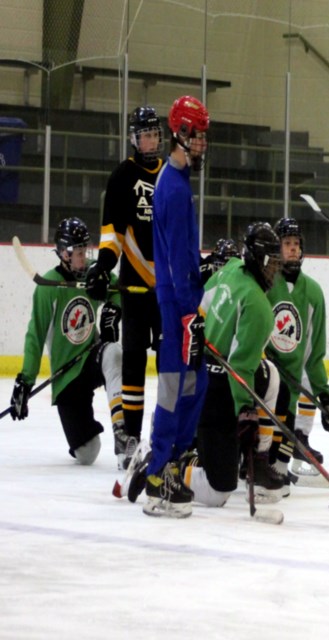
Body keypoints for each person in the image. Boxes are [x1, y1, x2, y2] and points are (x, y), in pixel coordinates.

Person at [183, 223, 287, 508]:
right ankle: (171, 464)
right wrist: (246, 411)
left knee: (271, 374)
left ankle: (258, 461)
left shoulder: (228, 268)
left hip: (197, 373)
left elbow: (200, 306)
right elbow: (240, 369)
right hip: (216, 390)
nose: (275, 270)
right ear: (257, 259)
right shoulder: (259, 307)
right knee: (218, 492)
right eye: (272, 263)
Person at [84, 106, 163, 470]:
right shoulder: (122, 177)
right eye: (144, 135)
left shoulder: (171, 175)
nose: (150, 140)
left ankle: (169, 435)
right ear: (133, 139)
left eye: (154, 134)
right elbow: (112, 233)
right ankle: (130, 437)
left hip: (167, 292)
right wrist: (103, 266)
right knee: (132, 366)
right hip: (133, 289)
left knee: (172, 366)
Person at [143, 95, 210, 518]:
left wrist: (204, 271)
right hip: (176, 306)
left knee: (194, 381)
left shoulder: (180, 182)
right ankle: (156, 477)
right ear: (179, 135)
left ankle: (178, 457)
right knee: (173, 386)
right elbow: (168, 263)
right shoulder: (170, 187)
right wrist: (187, 312)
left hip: (187, 301)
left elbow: (183, 254)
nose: (202, 144)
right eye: (197, 136)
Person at [10, 217, 124, 465]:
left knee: (114, 352)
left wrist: (113, 311)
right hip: (67, 378)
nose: (85, 257)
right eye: (79, 252)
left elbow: (120, 293)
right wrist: (25, 381)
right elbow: (35, 335)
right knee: (87, 453)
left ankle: (122, 431)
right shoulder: (48, 288)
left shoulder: (94, 274)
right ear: (63, 253)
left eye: (86, 250)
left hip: (92, 356)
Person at [265, 218, 329, 483]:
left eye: (296, 244)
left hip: (288, 394)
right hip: (261, 384)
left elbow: (314, 355)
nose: (292, 249)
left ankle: (290, 443)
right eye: (286, 243)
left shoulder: (313, 292)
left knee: (277, 470)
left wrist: (325, 395)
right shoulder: (265, 283)